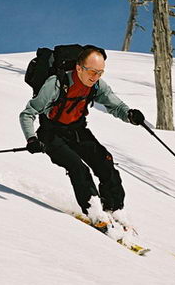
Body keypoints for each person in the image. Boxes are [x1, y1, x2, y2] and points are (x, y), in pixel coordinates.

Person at [19, 47, 145, 232]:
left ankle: (114, 211)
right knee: (78, 167)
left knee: (105, 162)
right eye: (92, 72)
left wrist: (130, 115)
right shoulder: (56, 84)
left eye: (100, 72)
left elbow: (115, 105)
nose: (96, 76)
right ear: (79, 68)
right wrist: (31, 139)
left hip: (77, 130)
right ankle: (95, 213)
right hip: (51, 133)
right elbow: (27, 113)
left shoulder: (96, 85)